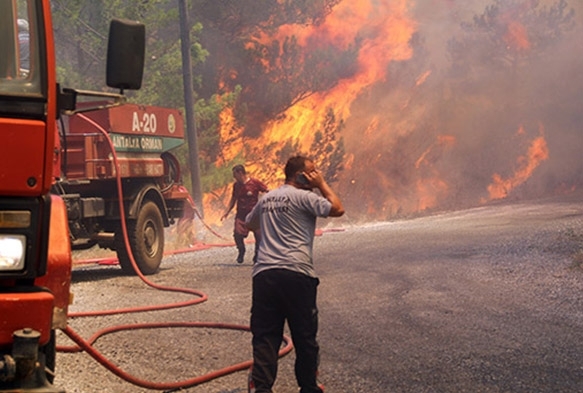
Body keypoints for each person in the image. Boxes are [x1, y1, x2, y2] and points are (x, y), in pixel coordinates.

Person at [245, 155, 344, 393]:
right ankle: (309, 387)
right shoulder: (306, 197)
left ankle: (262, 388)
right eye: (311, 172)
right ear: (299, 175)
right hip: (297, 275)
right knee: (304, 336)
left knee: (266, 336)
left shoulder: (267, 198)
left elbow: (249, 223)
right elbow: (337, 208)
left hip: (265, 276)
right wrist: (321, 185)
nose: (315, 175)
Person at [221, 164, 268, 263]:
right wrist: (226, 212)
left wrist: (265, 203)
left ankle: (257, 256)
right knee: (237, 234)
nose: (234, 177)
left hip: (254, 214)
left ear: (240, 173)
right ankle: (241, 251)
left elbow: (266, 191)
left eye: (235, 174)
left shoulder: (254, 183)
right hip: (241, 215)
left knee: (259, 236)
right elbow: (233, 199)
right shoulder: (236, 185)